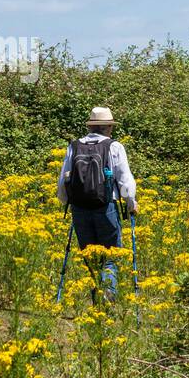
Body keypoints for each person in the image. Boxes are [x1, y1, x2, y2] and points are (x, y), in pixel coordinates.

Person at [58, 106, 138, 300]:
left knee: (90, 254)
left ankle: (96, 297)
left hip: (79, 208)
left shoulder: (75, 146)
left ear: (92, 126)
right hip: (106, 206)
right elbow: (124, 178)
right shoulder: (114, 147)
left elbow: (63, 180)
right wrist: (131, 202)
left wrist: (66, 200)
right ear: (108, 127)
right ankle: (108, 295)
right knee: (111, 254)